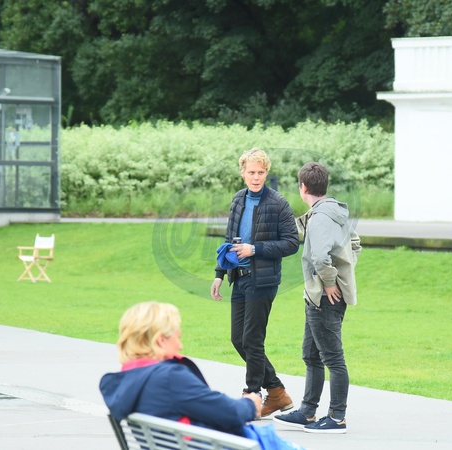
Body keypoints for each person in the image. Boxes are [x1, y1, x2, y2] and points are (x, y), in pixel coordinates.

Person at [99, 302, 305, 450]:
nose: (180, 345)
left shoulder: (125, 381)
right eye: (177, 338)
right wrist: (251, 403)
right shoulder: (168, 378)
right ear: (160, 341)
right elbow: (229, 412)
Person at [210, 147, 300, 418]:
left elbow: (292, 243)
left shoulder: (278, 203)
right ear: (243, 173)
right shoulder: (238, 200)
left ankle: (252, 395)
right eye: (251, 172)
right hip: (239, 278)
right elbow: (229, 239)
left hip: (263, 281)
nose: (256, 177)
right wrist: (219, 273)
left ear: (266, 173)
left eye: (261, 172)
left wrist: (255, 249)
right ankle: (277, 391)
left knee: (252, 339)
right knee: (238, 339)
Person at [273, 162, 361, 434]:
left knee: (333, 358)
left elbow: (320, 257)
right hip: (318, 295)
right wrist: (343, 273)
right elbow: (355, 244)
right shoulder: (335, 211)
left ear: (303, 187)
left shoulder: (321, 217)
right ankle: (308, 412)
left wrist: (332, 281)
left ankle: (337, 418)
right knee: (311, 355)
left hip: (324, 297)